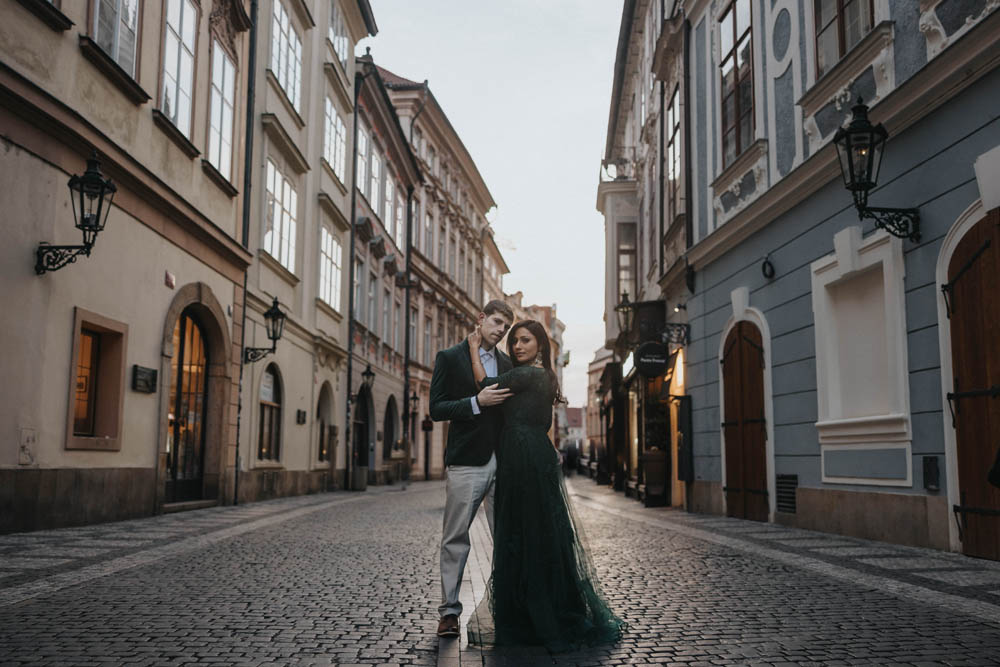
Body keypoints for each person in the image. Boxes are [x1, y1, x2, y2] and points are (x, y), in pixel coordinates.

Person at [465, 320, 625, 652]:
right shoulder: (545, 377)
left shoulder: (528, 375)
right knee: (537, 529)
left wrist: (472, 348)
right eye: (515, 342)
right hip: (529, 452)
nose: (518, 346)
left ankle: (530, 614)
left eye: (526, 340)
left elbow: (486, 383)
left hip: (522, 455)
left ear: (540, 344)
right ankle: (535, 608)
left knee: (524, 530)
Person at [429, 299, 514, 638]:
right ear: (481, 319)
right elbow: (436, 408)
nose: (500, 330)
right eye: (496, 322)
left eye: (505, 327)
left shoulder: (507, 362)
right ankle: (449, 612)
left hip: (503, 462)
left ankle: (506, 606)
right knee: (455, 538)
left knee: (506, 537)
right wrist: (475, 403)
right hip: (466, 461)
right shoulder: (450, 358)